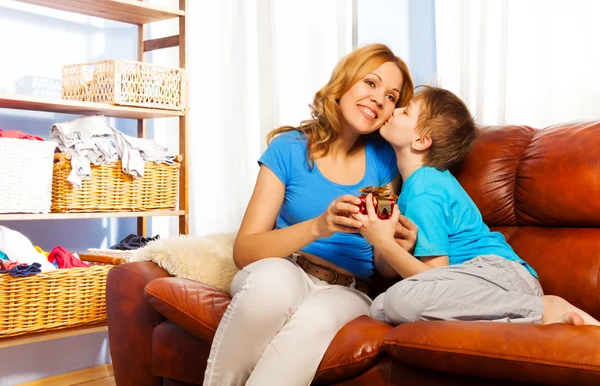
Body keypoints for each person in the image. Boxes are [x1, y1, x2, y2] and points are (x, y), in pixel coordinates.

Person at [202, 44, 418, 386]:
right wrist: (320, 226)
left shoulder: (385, 162)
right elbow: (245, 252)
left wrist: (395, 245)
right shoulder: (287, 148)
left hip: (348, 290)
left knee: (315, 320)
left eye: (391, 97)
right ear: (344, 81)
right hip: (285, 267)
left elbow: (384, 266)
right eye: (370, 83)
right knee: (273, 286)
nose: (379, 99)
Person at [353, 86, 600, 327]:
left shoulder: (423, 188)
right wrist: (385, 241)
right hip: (488, 286)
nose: (395, 110)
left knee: (399, 301)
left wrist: (384, 242)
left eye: (405, 112)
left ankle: (544, 309)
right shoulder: (420, 184)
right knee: (380, 306)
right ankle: (519, 317)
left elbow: (431, 275)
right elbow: (401, 274)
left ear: (421, 140)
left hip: (498, 277)